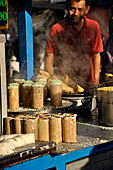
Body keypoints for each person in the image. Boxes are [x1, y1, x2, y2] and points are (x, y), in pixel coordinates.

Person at [45, 0, 103, 90]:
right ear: (67, 9)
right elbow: (49, 57)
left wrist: (95, 80)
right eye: (72, 9)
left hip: (88, 82)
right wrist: (52, 80)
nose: (76, 13)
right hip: (65, 83)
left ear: (87, 10)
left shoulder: (93, 27)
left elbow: (96, 55)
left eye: (80, 9)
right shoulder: (56, 29)